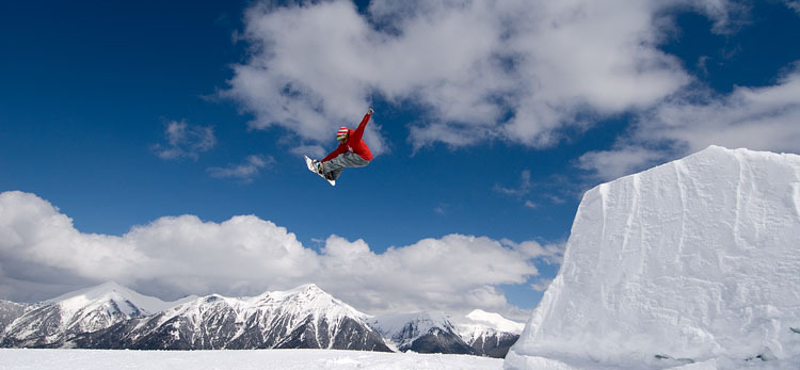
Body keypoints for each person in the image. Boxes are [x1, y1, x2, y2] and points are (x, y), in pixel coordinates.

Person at [311, 108, 374, 181]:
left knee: (342, 159)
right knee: (341, 158)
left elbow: (361, 127)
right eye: (339, 140)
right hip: (358, 157)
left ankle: (323, 168)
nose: (340, 142)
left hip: (364, 157)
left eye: (341, 140)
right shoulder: (343, 146)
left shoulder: (355, 137)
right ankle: (332, 175)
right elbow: (334, 154)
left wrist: (368, 115)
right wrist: (322, 162)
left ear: (346, 137)